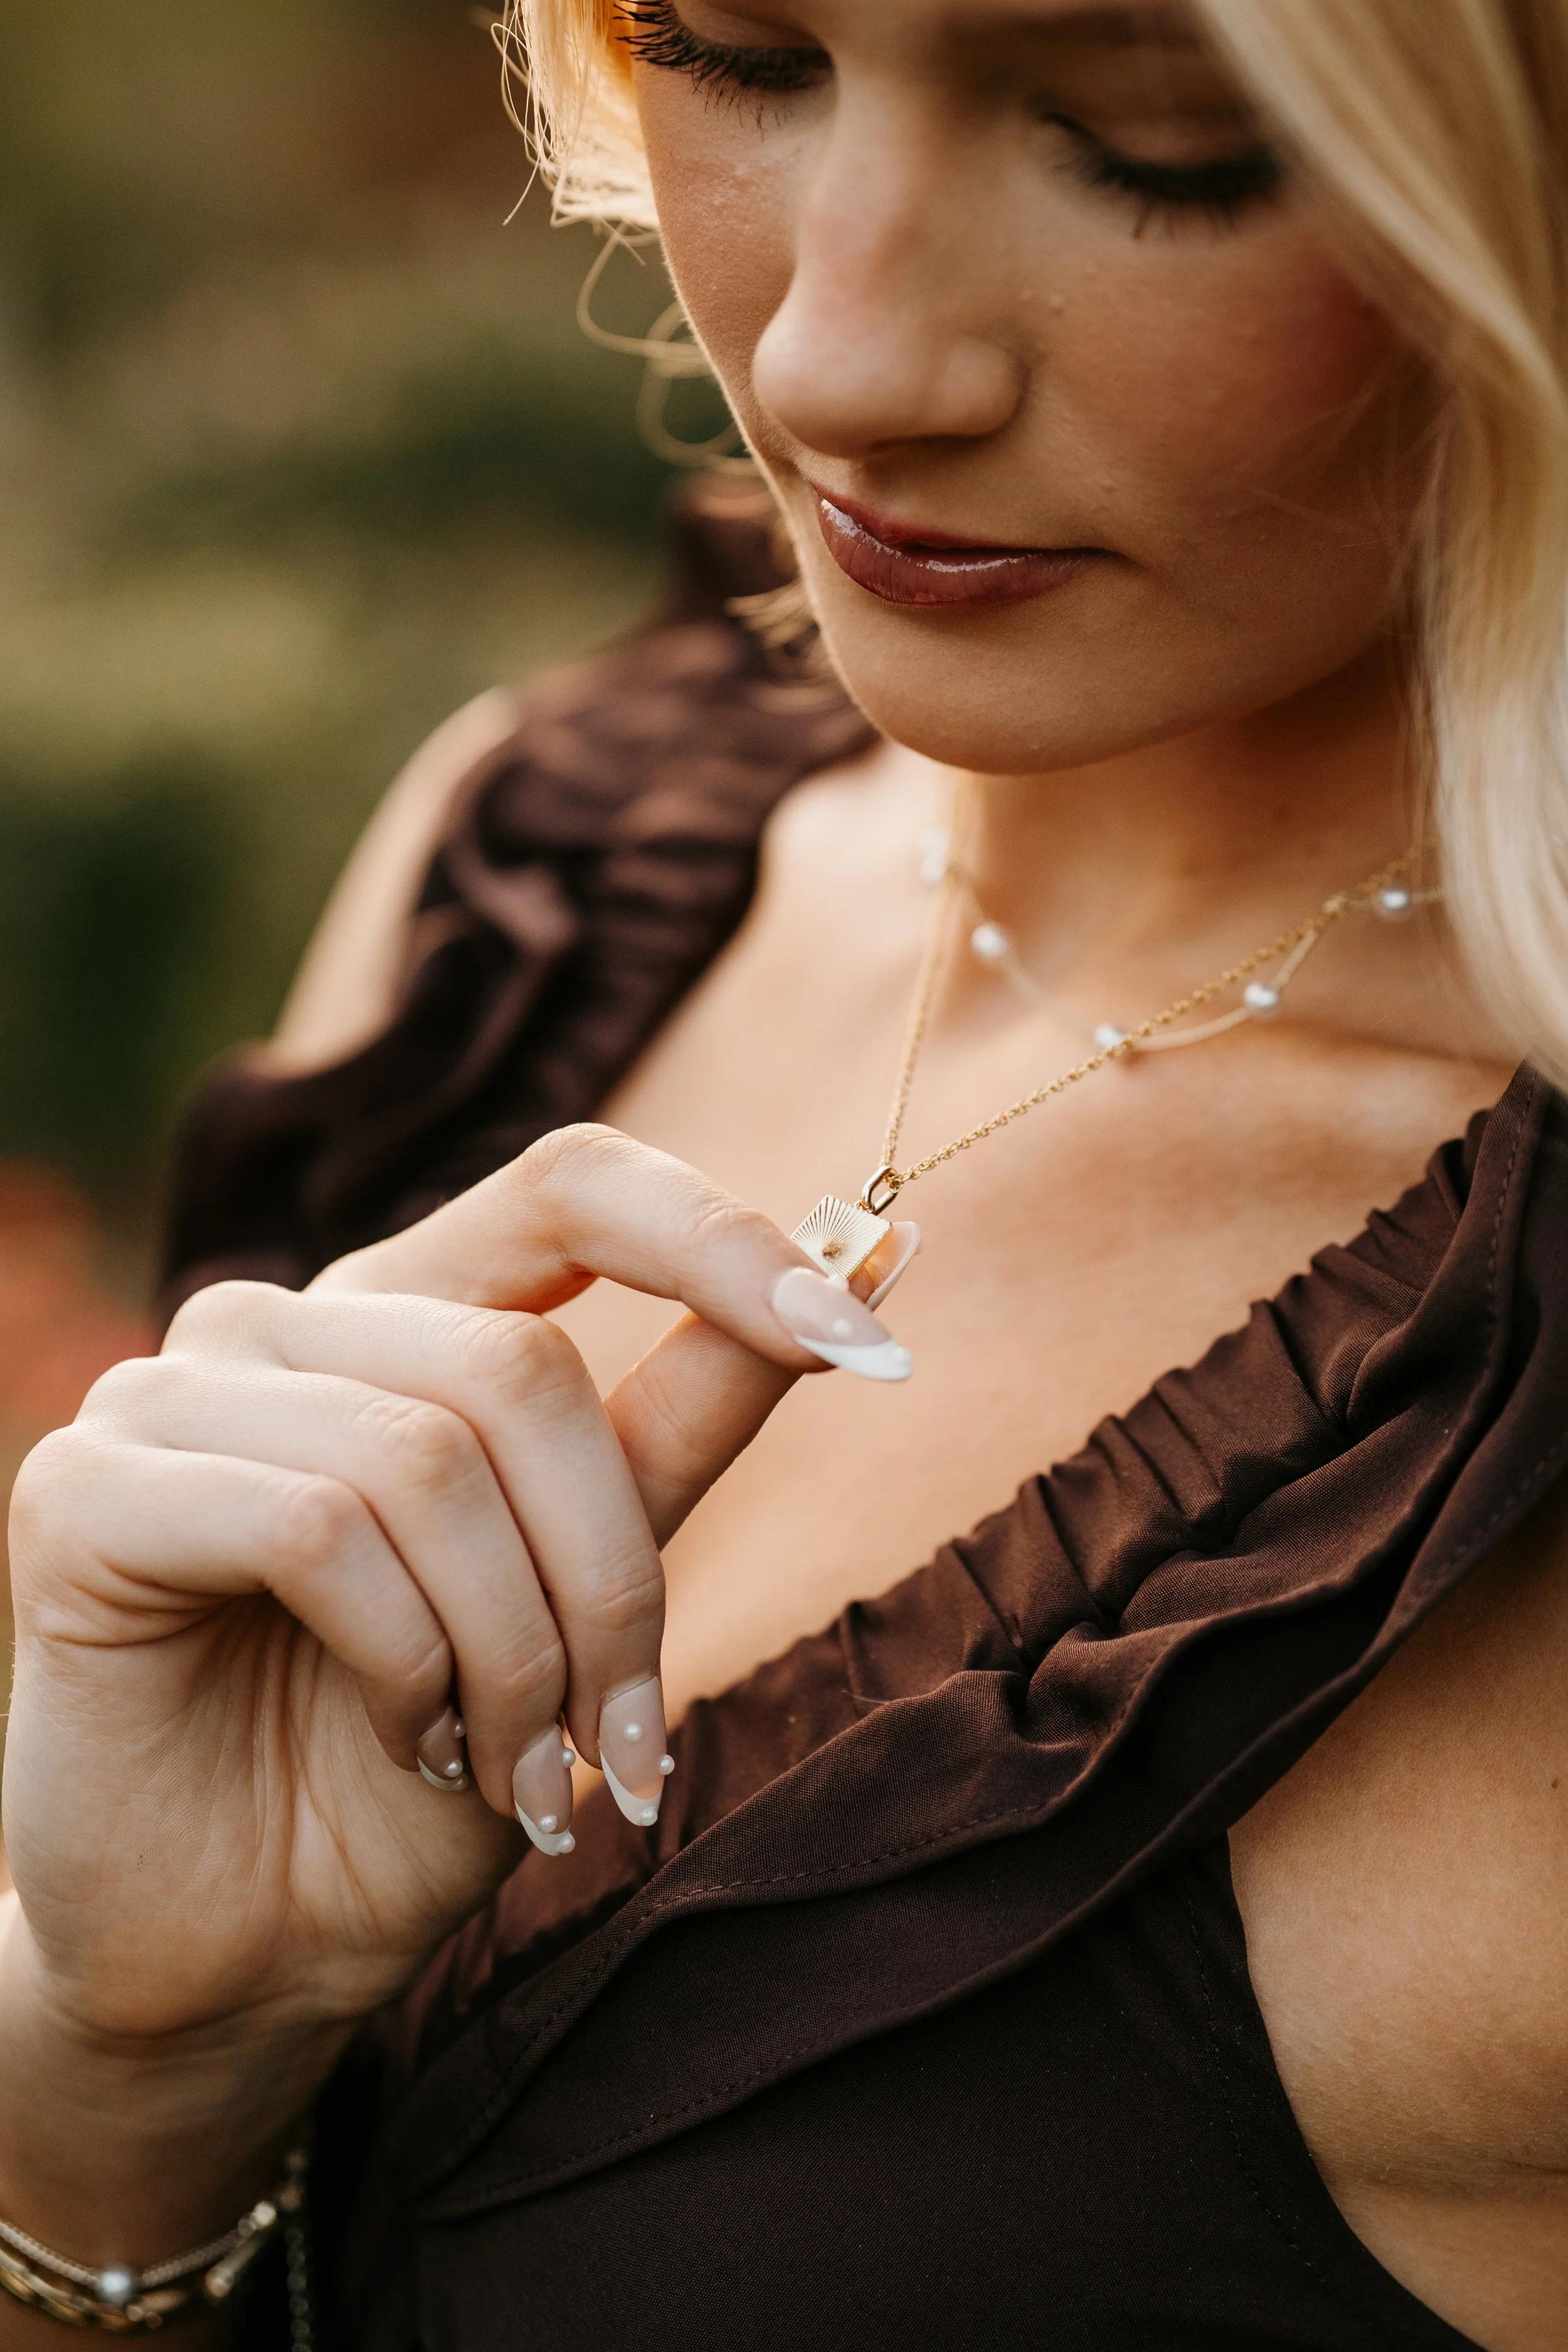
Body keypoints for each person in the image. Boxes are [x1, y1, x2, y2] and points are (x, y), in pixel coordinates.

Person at [0, 0, 1564, 2343]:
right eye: (728, 46)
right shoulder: (532, 859)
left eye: (1165, 145)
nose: (839, 358)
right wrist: (118, 2080)